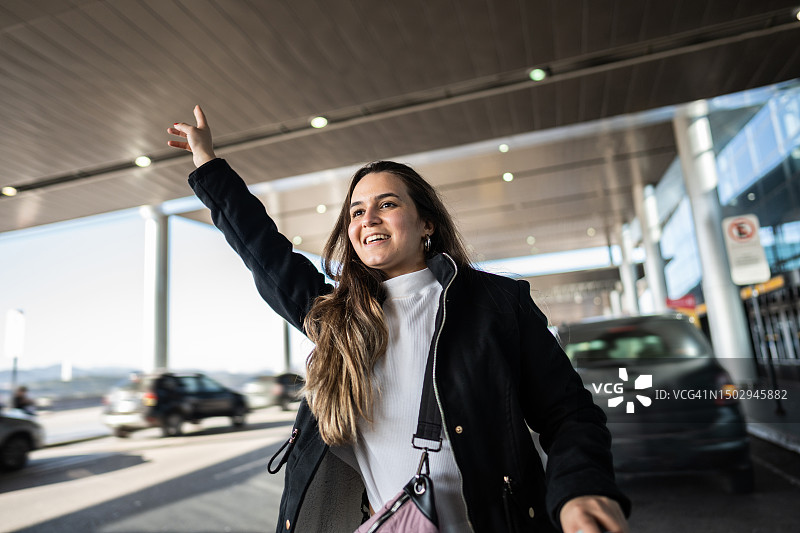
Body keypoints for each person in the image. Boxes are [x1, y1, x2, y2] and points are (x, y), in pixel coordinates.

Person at [167, 106, 631, 533]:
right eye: (357, 211)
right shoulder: (337, 317)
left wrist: (581, 489)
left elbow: (568, 414)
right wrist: (207, 161)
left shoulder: (497, 304)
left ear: (427, 223)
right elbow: (263, 248)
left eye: (387, 204)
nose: (368, 218)